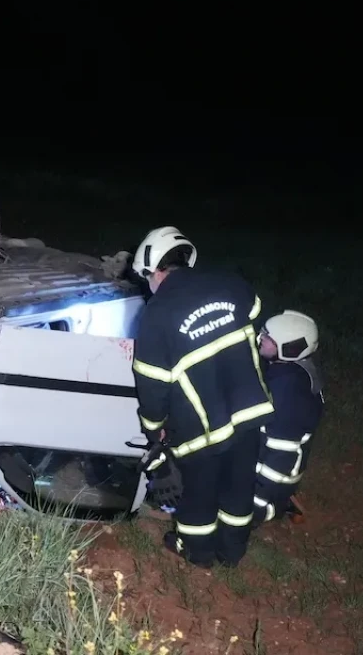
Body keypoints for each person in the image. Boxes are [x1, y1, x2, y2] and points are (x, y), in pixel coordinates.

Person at [130, 227, 274, 568]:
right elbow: (254, 318)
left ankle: (198, 553)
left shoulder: (157, 313)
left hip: (202, 427)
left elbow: (151, 382)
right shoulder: (233, 284)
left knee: (199, 492)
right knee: (239, 487)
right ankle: (233, 550)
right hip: (249, 411)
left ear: (154, 270)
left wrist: (154, 429)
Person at [251, 310, 324, 526]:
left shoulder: (290, 391)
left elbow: (282, 457)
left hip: (267, 482)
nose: (260, 339)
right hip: (262, 462)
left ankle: (278, 504)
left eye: (268, 339)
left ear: (289, 349)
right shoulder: (289, 372)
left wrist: (255, 505)